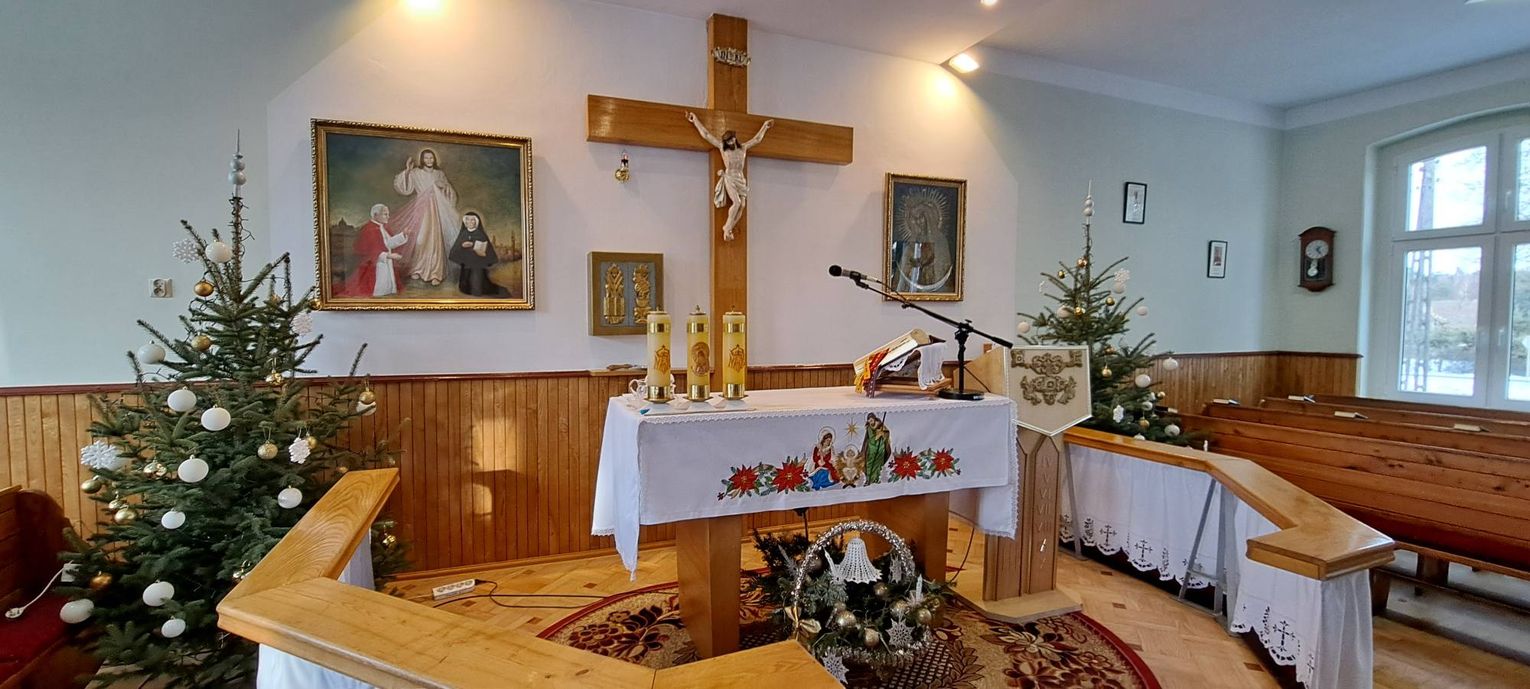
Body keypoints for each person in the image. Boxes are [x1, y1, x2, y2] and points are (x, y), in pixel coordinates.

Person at [685, 112, 772, 241]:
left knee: (742, 206)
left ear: (735, 138)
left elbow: (757, 139)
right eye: (728, 140)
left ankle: (729, 228)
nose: (731, 142)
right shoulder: (723, 148)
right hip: (730, 177)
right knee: (736, 203)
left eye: (732, 139)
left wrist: (765, 126)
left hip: (740, 178)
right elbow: (706, 135)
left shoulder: (743, 148)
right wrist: (695, 120)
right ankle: (727, 227)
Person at [391, 148, 460, 286]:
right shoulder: (416, 172)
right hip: (422, 208)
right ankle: (418, 268)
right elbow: (405, 188)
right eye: (426, 158)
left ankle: (435, 272)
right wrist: (408, 170)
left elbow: (448, 191)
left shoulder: (439, 174)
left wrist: (443, 186)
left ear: (434, 159)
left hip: (437, 209)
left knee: (435, 239)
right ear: (422, 159)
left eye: (431, 158)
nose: (429, 160)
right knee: (420, 239)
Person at [340, 204, 407, 297]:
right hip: (374, 265)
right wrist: (389, 256)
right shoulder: (368, 229)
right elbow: (370, 251)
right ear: (376, 215)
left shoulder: (383, 227)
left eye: (388, 214)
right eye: (385, 214)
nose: (388, 216)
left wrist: (403, 235)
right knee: (376, 287)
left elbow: (388, 243)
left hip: (385, 262)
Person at [448, 211, 506, 297]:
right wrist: (462, 246)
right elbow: (455, 249)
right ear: (465, 222)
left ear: (476, 222)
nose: (470, 222)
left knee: (477, 288)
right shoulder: (463, 234)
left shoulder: (480, 234)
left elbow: (486, 249)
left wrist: (473, 245)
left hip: (477, 264)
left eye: (472, 220)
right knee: (465, 288)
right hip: (466, 264)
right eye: (468, 220)